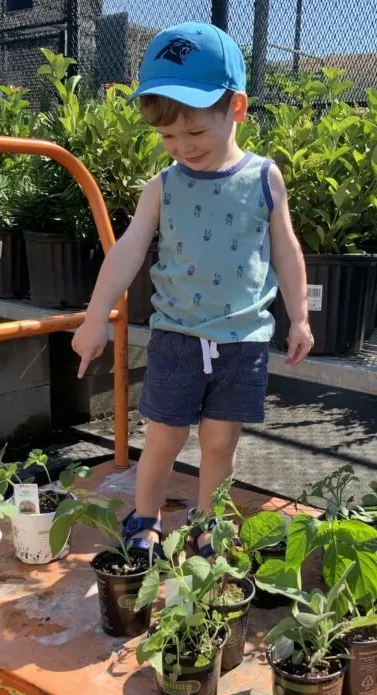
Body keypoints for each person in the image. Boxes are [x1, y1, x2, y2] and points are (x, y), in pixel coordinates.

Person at [71, 22, 313, 555]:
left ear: (237, 109)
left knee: (221, 442)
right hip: (177, 337)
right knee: (162, 437)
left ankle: (209, 525)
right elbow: (127, 251)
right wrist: (94, 319)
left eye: (196, 131)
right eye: (167, 136)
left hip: (243, 340)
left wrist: (299, 316)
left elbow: (286, 250)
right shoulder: (162, 186)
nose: (182, 146)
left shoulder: (265, 178)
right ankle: (147, 520)